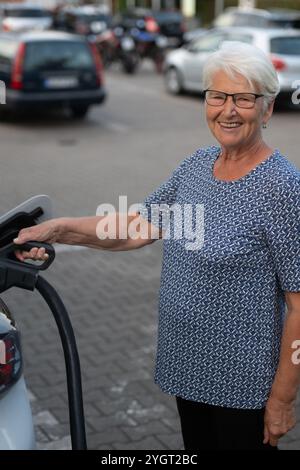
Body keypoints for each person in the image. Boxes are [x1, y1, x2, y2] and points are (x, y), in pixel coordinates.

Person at [14, 42, 300, 451]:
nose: (228, 110)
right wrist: (57, 230)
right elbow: (133, 228)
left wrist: (283, 399)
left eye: (243, 98)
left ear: (267, 109)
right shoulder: (196, 167)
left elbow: (299, 305)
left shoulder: (284, 189)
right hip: (188, 366)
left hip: (243, 386)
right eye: (217, 96)